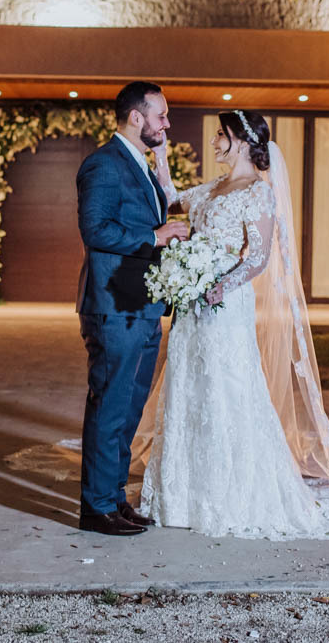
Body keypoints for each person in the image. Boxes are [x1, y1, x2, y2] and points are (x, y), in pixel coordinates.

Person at [137, 109, 329, 539]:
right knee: (188, 387)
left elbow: (257, 257)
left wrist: (219, 286)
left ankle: (231, 495)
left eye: (220, 135)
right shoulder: (213, 187)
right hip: (193, 307)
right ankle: (182, 496)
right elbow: (172, 198)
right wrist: (159, 158)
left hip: (225, 305)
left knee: (227, 388)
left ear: (241, 142)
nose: (214, 141)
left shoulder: (258, 192)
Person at [75, 81, 190, 536]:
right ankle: (96, 508)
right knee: (110, 406)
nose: (167, 123)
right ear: (136, 117)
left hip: (142, 306)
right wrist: (154, 237)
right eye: (161, 115)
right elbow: (95, 229)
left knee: (129, 409)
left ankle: (114, 497)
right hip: (114, 307)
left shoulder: (140, 164)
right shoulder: (103, 164)